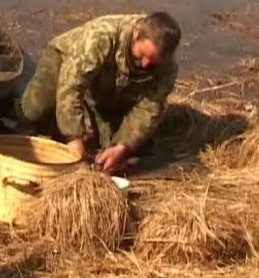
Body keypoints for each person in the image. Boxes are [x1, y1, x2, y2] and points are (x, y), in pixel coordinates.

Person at [19, 11, 181, 173]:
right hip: (66, 60)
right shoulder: (101, 37)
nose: (145, 64)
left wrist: (122, 147)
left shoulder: (167, 67)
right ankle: (32, 115)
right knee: (33, 112)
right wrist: (73, 138)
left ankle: (94, 116)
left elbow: (149, 108)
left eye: (153, 62)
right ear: (136, 33)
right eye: (142, 55)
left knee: (113, 149)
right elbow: (71, 86)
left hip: (111, 84)